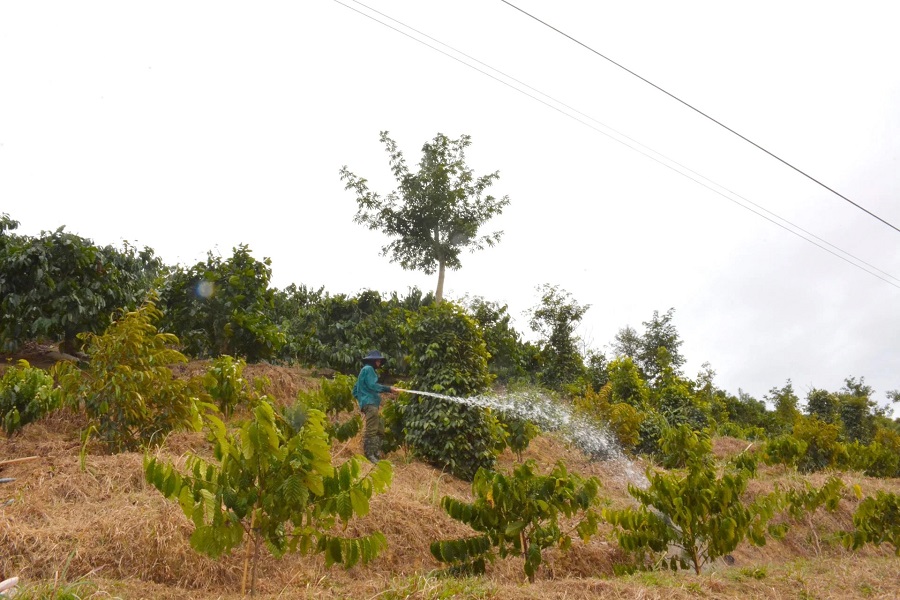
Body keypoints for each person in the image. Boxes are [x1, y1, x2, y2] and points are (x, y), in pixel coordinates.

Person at [352, 350, 396, 464]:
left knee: (380, 430)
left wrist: (362, 401)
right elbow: (373, 386)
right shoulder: (369, 369)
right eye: (377, 360)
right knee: (371, 430)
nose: (379, 362)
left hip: (370, 404)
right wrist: (388, 389)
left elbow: (355, 390)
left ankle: (376, 452)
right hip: (370, 404)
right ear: (373, 361)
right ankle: (369, 454)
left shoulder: (364, 371)